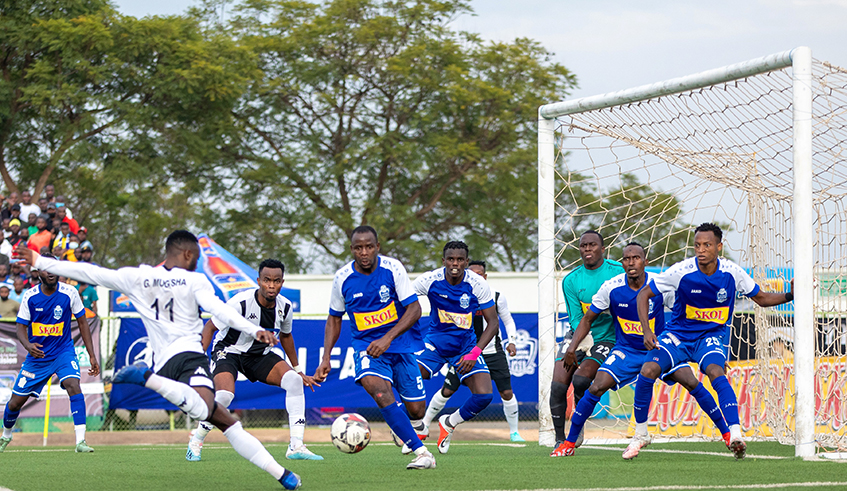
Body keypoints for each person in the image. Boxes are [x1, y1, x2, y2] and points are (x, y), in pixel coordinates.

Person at [15, 232, 302, 489]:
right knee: (209, 409)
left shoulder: (138, 277)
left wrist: (43, 261)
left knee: (223, 419)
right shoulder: (195, 279)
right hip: (190, 358)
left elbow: (92, 273)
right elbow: (218, 310)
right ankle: (146, 378)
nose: (197, 261)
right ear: (188, 254)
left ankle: (282, 475)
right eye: (197, 256)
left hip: (165, 364)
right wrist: (255, 329)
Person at [624, 223, 795, 460]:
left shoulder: (732, 273)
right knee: (648, 369)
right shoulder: (681, 271)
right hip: (679, 335)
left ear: (719, 247)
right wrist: (646, 330)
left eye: (707, 245)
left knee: (716, 371)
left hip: (711, 337)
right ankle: (641, 434)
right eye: (697, 245)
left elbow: (762, 298)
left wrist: (790, 295)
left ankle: (735, 434)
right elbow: (644, 294)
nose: (701, 250)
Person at [554, 242, 731, 456]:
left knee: (691, 381)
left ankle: (727, 435)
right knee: (596, 387)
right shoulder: (611, 287)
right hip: (626, 351)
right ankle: (569, 443)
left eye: (636, 258)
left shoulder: (660, 285)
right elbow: (588, 318)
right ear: (622, 263)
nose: (631, 262)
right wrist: (572, 347)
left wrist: (710, 352)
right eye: (627, 259)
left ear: (645, 262)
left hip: (658, 349)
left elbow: (687, 319)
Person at [314, 226, 435, 470]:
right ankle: (422, 453)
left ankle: (401, 424)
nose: (364, 252)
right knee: (377, 389)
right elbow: (334, 318)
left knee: (417, 410)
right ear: (352, 250)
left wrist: (388, 338)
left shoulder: (393, 269)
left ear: (377, 246)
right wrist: (325, 357)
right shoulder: (342, 278)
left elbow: (415, 310)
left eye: (369, 246)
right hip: (366, 347)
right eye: (358, 248)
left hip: (400, 345)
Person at [188, 258, 322, 462]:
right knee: (224, 395)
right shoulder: (240, 302)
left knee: (294, 381)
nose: (271, 285)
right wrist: (197, 361)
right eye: (267, 280)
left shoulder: (285, 307)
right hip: (229, 351)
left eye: (276, 281)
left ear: (282, 282)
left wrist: (298, 370)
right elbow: (210, 327)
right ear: (258, 280)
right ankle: (196, 440)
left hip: (258, 355)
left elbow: (286, 336)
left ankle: (296, 446)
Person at [0, 254, 99, 453]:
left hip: (63, 352)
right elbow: (20, 327)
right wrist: (28, 346)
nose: (51, 272)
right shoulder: (30, 296)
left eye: (53, 267)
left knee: (73, 384)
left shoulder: (70, 292)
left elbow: (82, 323)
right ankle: (6, 435)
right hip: (38, 358)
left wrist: (92, 355)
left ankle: (80, 441)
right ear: (38, 273)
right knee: (15, 402)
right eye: (46, 268)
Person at [421, 260, 524, 442]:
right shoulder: (459, 293)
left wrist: (512, 341)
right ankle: (424, 424)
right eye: (472, 274)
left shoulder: (496, 296)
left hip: (492, 351)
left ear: (485, 277)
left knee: (506, 392)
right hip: (464, 351)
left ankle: (514, 433)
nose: (475, 277)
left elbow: (506, 320)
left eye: (479, 274)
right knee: (447, 390)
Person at [412, 241, 499, 454]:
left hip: (465, 348)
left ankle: (449, 423)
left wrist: (474, 353)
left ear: (466, 262)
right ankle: (416, 427)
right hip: (435, 345)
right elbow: (404, 302)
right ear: (443, 261)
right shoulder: (429, 280)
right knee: (408, 377)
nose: (455, 264)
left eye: (460, 260)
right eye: (451, 259)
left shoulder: (477, 283)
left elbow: (493, 323)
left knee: (484, 396)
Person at [550, 230, 623, 455]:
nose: (587, 249)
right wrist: (576, 344)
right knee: (558, 385)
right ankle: (559, 439)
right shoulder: (571, 280)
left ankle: (578, 425)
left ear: (602, 248)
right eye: (583, 246)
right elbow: (574, 317)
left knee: (581, 381)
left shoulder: (617, 272)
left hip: (608, 337)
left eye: (592, 245)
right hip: (580, 333)